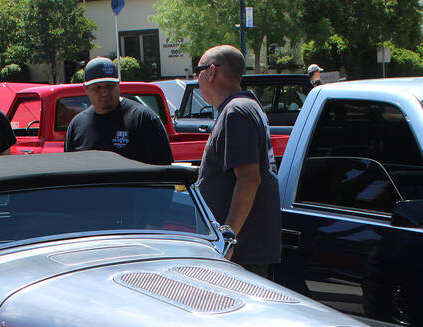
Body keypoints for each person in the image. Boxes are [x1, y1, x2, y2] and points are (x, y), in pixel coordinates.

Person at [193, 45, 280, 279]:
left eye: (197, 71)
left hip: (241, 254)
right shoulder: (244, 106)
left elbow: (249, 179)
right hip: (245, 250)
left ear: (211, 71)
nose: (196, 78)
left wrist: (227, 238)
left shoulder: (236, 111)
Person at [63, 57, 173, 165]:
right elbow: (71, 174)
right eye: (97, 87)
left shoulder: (143, 119)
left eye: (109, 85)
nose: (104, 92)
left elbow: (164, 170)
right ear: (85, 89)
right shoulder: (76, 126)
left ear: (118, 85)